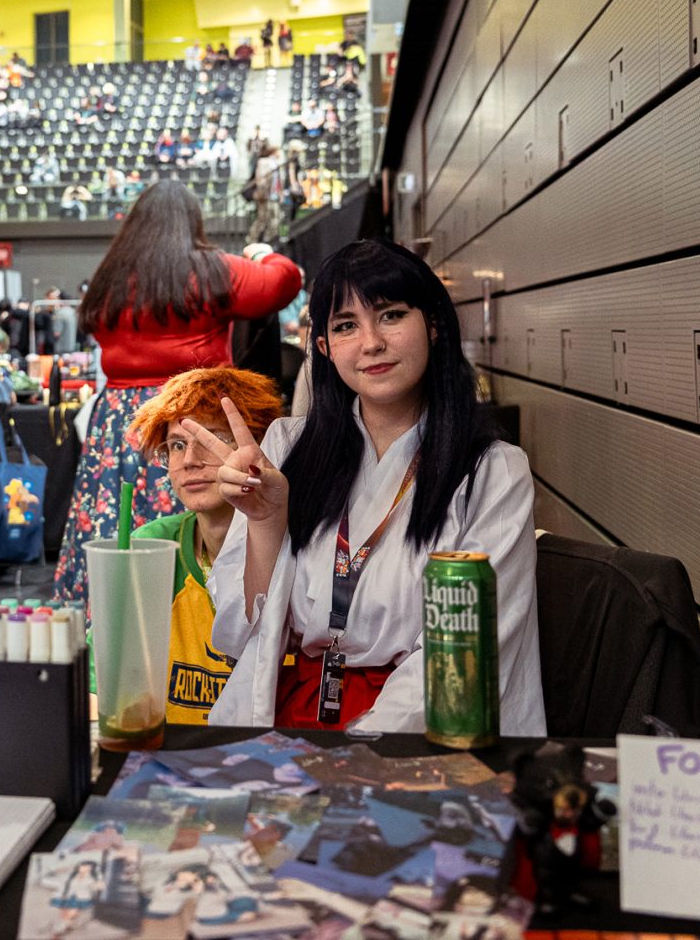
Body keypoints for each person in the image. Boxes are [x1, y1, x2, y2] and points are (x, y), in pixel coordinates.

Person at [184, 238, 545, 734]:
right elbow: (235, 635)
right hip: (295, 717)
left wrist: (354, 755)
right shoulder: (288, 447)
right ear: (324, 348)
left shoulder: (493, 471)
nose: (371, 342)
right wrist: (266, 521)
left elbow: (464, 658)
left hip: (412, 732)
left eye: (391, 315)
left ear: (433, 324)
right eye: (345, 325)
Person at [53, 180, 301, 601]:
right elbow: (284, 282)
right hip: (191, 416)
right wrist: (262, 253)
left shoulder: (110, 279)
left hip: (119, 420)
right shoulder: (212, 271)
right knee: (197, 525)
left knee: (114, 526)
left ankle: (115, 619)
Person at [126, 367, 284, 724]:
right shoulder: (151, 546)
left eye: (213, 439)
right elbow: (107, 680)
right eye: (177, 445)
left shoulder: (303, 547)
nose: (190, 461)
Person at [247, 143, 283, 245]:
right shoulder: (263, 162)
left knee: (276, 218)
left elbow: (279, 180)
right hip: (265, 196)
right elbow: (260, 179)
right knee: (262, 219)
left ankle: (270, 239)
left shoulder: (277, 163)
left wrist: (280, 194)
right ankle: (252, 239)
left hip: (274, 195)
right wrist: (261, 193)